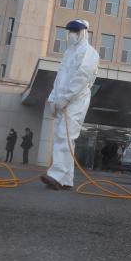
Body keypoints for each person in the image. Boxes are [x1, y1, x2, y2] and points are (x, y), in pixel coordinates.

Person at [39, 19, 99, 191]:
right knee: (66, 139)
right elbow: (60, 78)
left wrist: (67, 98)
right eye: (70, 31)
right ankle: (66, 180)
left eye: (75, 31)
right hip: (62, 100)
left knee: (63, 136)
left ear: (83, 33)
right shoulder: (68, 53)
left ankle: (56, 175)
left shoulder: (90, 53)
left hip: (77, 101)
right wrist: (53, 98)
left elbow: (82, 77)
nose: (71, 34)